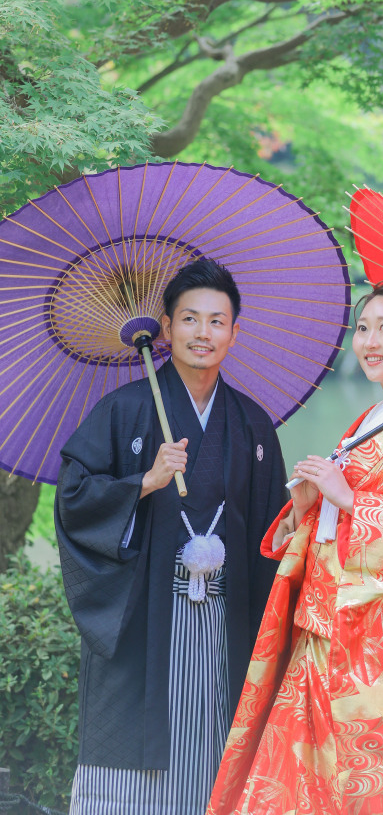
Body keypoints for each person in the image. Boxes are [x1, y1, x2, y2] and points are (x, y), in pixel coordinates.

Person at [207, 280, 383, 815]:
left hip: (378, 643)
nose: (369, 341)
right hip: (324, 624)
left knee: (373, 784)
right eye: (363, 329)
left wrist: (350, 497)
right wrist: (306, 505)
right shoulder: (367, 423)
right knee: (290, 778)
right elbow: (332, 523)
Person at [56, 257, 287, 815]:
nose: (202, 333)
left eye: (216, 321)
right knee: (135, 754)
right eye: (189, 319)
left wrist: (300, 515)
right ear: (165, 327)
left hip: (225, 615)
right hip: (145, 613)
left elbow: (271, 535)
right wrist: (143, 482)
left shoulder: (253, 423)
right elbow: (74, 498)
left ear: (234, 332)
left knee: (214, 740)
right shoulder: (124, 410)